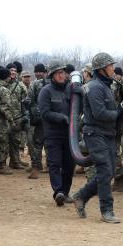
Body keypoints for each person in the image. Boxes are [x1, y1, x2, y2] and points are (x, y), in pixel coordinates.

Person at [71, 53, 123, 224]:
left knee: (110, 172)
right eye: (110, 65)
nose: (113, 68)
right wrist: (119, 112)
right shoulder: (95, 87)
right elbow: (99, 113)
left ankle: (81, 196)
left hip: (107, 134)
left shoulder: (105, 86)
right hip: (95, 134)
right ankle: (107, 210)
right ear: (102, 69)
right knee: (104, 171)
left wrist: (122, 113)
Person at [38, 60, 74, 206]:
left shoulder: (70, 90)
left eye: (63, 73)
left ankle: (65, 192)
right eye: (59, 73)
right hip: (53, 134)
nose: (62, 75)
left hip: (69, 135)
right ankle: (58, 192)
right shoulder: (46, 91)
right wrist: (62, 118)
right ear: (52, 75)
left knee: (69, 165)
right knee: (54, 164)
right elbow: (45, 113)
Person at [27, 63, 48, 179]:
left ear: (45, 72)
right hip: (42, 119)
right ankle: (36, 167)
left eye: (41, 71)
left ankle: (39, 167)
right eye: (37, 71)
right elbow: (29, 100)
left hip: (45, 118)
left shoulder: (35, 84)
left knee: (39, 144)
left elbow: (28, 100)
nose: (38, 73)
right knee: (39, 143)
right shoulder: (36, 84)